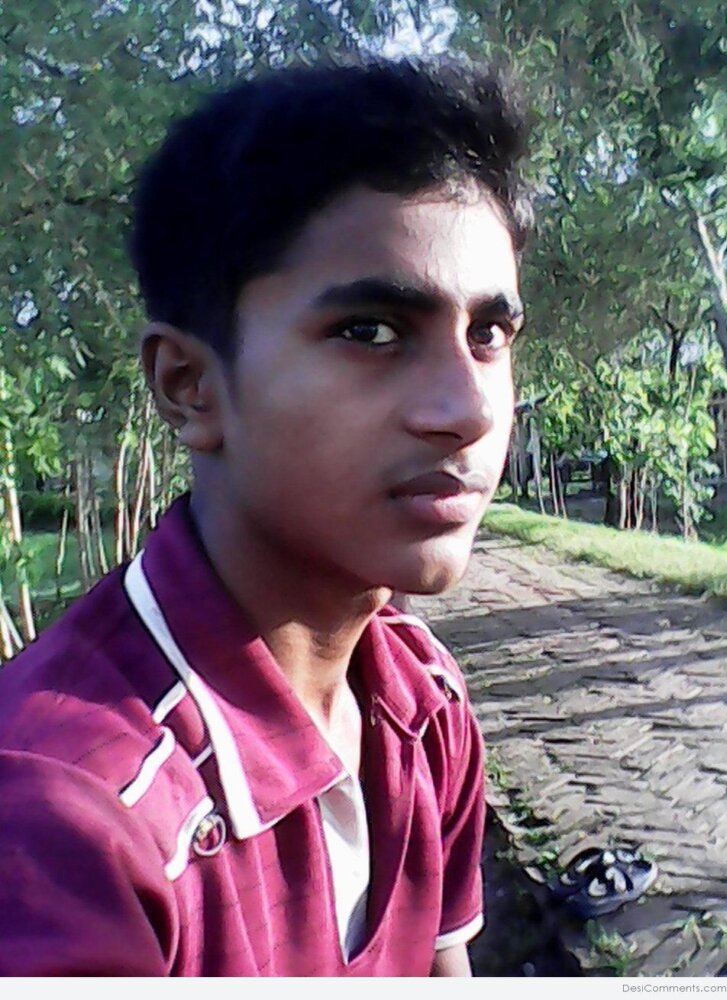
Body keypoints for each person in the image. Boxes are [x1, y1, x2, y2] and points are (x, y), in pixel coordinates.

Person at [0, 59, 530, 976]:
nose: (469, 408)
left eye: (486, 334)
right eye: (370, 331)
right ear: (188, 385)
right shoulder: (66, 820)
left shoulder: (422, 704)